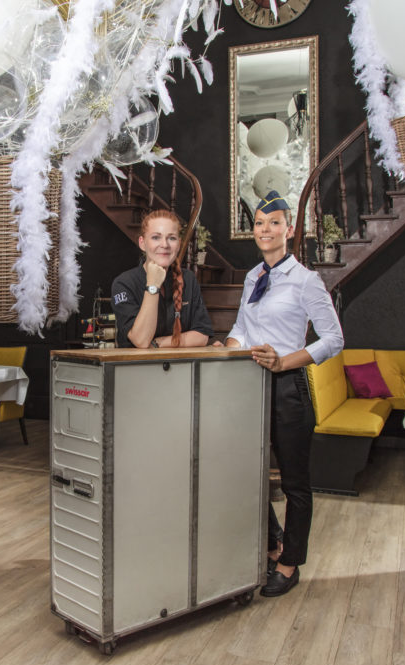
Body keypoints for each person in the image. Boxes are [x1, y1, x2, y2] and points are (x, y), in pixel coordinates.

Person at [214, 190, 343, 597]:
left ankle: (290, 564)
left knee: (294, 484)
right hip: (250, 385)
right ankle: (273, 544)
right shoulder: (253, 276)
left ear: (289, 230)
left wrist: (285, 362)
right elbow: (241, 328)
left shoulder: (306, 281)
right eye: (259, 223)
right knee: (244, 474)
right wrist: (227, 349)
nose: (265, 229)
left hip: (289, 389)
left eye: (274, 223)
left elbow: (334, 339)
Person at [112, 209, 213, 348]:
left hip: (181, 362)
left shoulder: (188, 279)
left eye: (171, 238)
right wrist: (153, 284)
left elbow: (202, 335)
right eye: (156, 237)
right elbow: (141, 340)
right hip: (136, 363)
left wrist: (157, 343)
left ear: (179, 244)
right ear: (142, 243)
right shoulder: (124, 283)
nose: (165, 245)